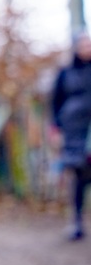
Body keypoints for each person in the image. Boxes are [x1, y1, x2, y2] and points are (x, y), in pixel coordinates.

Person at [50, 29, 91, 240]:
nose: (87, 48)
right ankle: (76, 221)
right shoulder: (65, 73)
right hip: (74, 132)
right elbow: (55, 102)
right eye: (84, 44)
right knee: (78, 176)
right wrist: (55, 128)